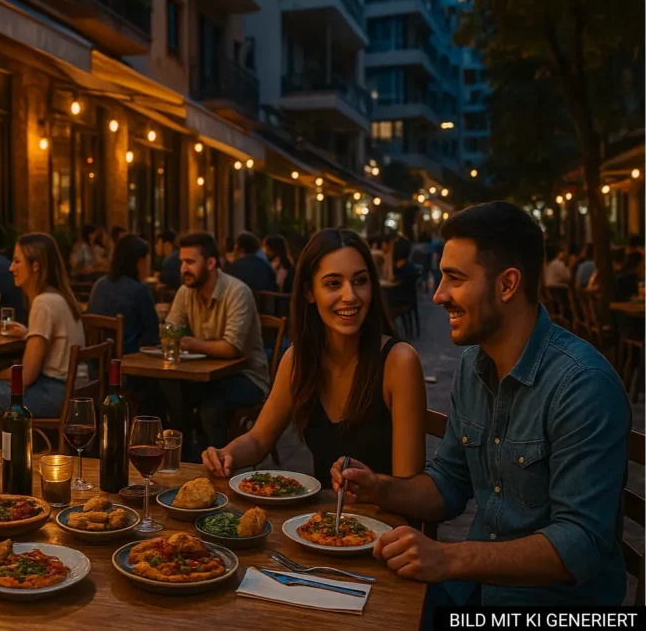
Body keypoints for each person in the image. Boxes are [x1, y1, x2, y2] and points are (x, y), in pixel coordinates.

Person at [332, 202, 629, 611]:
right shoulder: (474, 363)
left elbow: (581, 543)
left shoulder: (583, 385)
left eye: (454, 278)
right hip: (472, 591)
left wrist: (449, 557)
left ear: (507, 285)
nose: (438, 295)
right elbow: (449, 483)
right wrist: (379, 487)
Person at [203, 229, 426, 487]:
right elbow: (258, 440)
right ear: (309, 292)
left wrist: (374, 488)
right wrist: (225, 454)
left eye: (360, 281)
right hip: (319, 522)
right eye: (333, 283)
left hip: (386, 522)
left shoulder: (399, 362)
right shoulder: (299, 358)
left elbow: (409, 487)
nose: (350, 296)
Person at [0, 233, 85, 439]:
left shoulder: (44, 302)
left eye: (17, 261)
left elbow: (25, 377)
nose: (11, 268)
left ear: (36, 266)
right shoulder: (60, 297)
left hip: (57, 394)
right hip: (77, 389)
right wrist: (28, 333)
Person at [164, 232, 270, 452]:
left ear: (211, 262)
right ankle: (186, 462)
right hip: (205, 375)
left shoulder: (237, 291)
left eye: (190, 262)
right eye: (182, 262)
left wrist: (191, 344)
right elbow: (170, 333)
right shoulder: (186, 292)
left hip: (247, 376)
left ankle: (220, 466)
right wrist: (176, 339)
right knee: (168, 394)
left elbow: (232, 348)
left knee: (210, 408)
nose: (183, 269)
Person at [87, 234, 160, 354]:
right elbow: (152, 335)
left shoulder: (99, 284)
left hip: (97, 364)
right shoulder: (139, 289)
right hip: (127, 363)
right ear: (140, 261)